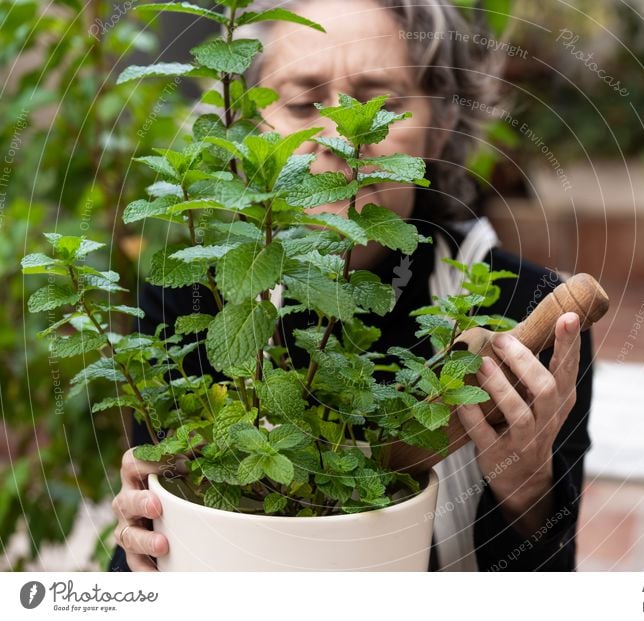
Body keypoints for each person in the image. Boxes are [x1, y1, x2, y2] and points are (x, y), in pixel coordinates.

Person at [109, 0, 594, 572]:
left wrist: (529, 495)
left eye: (381, 103)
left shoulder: (526, 313)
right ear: (246, 134)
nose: (342, 134)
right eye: (303, 101)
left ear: (438, 126)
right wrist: (145, 551)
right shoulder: (198, 293)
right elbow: (156, 551)